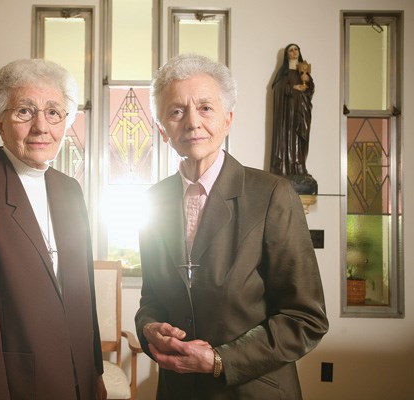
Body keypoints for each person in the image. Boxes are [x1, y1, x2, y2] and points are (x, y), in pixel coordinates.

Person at [135, 54, 328, 399]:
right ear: (163, 130)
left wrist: (220, 359)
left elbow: (305, 319)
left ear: (228, 119)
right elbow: (152, 299)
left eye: (206, 108)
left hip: (252, 390)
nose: (192, 122)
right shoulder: (153, 201)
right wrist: (149, 327)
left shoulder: (272, 195)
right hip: (178, 390)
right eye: (176, 111)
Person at [0, 58, 106, 400]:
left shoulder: (70, 189)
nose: (42, 126)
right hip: (21, 387)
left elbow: (83, 295)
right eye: (25, 111)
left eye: (54, 112)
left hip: (81, 381)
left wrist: (95, 374)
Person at [269, 43, 315, 178]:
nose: (294, 52)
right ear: (286, 55)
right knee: (286, 137)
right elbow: (277, 89)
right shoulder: (283, 72)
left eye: (296, 49)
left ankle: (299, 166)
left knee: (300, 137)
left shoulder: (304, 71)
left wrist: (308, 83)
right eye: (291, 50)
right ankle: (284, 168)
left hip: (301, 109)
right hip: (286, 113)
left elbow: (310, 90)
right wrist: (293, 88)